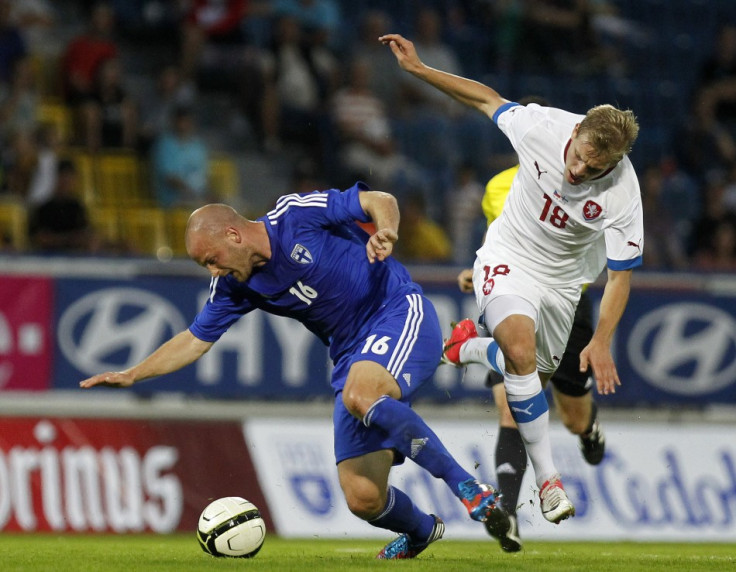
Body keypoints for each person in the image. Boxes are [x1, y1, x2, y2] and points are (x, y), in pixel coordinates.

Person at [79, 183, 500, 560]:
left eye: (212, 260)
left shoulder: (295, 215)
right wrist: (135, 373)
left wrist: (386, 229)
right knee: (363, 497)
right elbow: (194, 339)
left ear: (233, 234)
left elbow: (379, 200)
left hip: (396, 310)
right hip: (351, 354)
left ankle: (469, 487)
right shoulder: (234, 285)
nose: (213, 271)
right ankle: (422, 531)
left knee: (361, 394)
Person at [380, 33, 643, 528]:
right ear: (578, 129)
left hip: (565, 287)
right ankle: (548, 481)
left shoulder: (623, 191)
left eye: (595, 166)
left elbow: (621, 274)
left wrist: (604, 339)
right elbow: (483, 97)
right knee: (519, 356)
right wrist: (418, 69)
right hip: (510, 258)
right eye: (581, 154)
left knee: (536, 382)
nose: (579, 168)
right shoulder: (541, 126)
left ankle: (464, 348)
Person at [455, 98, 607, 552]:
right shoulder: (498, 188)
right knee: (511, 405)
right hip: (517, 301)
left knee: (574, 417)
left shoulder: (588, 185)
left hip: (567, 306)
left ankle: (589, 428)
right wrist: (478, 270)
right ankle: (507, 512)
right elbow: (500, 237)